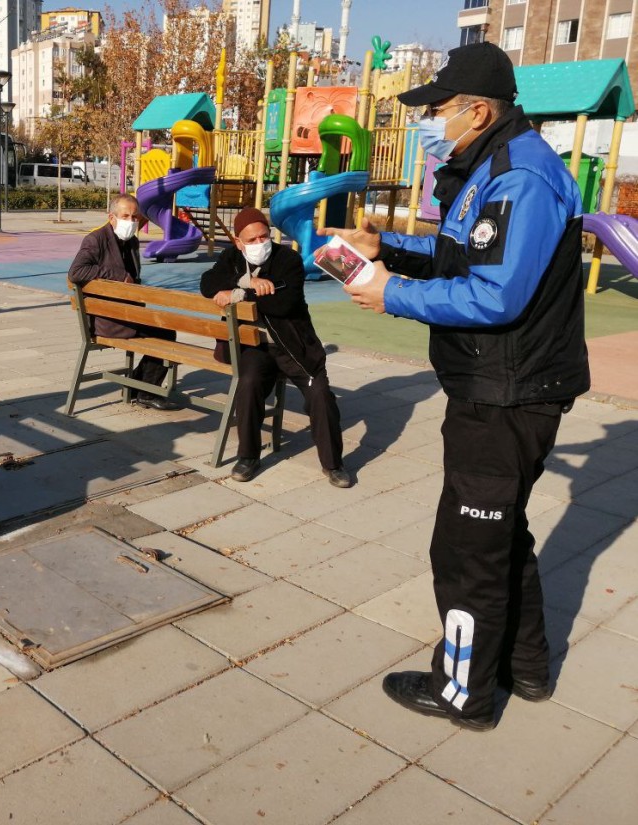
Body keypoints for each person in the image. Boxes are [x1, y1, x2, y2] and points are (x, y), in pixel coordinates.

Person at [321, 42, 588, 731]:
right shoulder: (493, 164)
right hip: (501, 383)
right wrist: (392, 253)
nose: (430, 122)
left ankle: (463, 690)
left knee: (466, 550)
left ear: (478, 109)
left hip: (505, 393)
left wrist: (393, 293)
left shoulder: (518, 177)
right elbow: (463, 253)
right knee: (502, 534)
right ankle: (525, 666)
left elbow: (495, 295)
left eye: (437, 110)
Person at [201, 207, 349, 486]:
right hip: (255, 346)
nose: (260, 244)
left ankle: (333, 464)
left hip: (293, 345)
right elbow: (207, 282)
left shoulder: (288, 259)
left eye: (264, 236)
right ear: (238, 242)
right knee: (248, 383)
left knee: (319, 393)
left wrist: (236, 294)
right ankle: (248, 456)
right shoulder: (231, 258)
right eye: (252, 240)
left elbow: (285, 303)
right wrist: (248, 283)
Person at [67, 193, 179, 411]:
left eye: (135, 217)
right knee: (166, 334)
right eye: (125, 216)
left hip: (126, 312)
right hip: (108, 320)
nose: (131, 222)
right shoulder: (96, 239)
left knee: (165, 330)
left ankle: (137, 386)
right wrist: (117, 274)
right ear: (111, 217)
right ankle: (144, 391)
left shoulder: (131, 241)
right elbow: (76, 272)